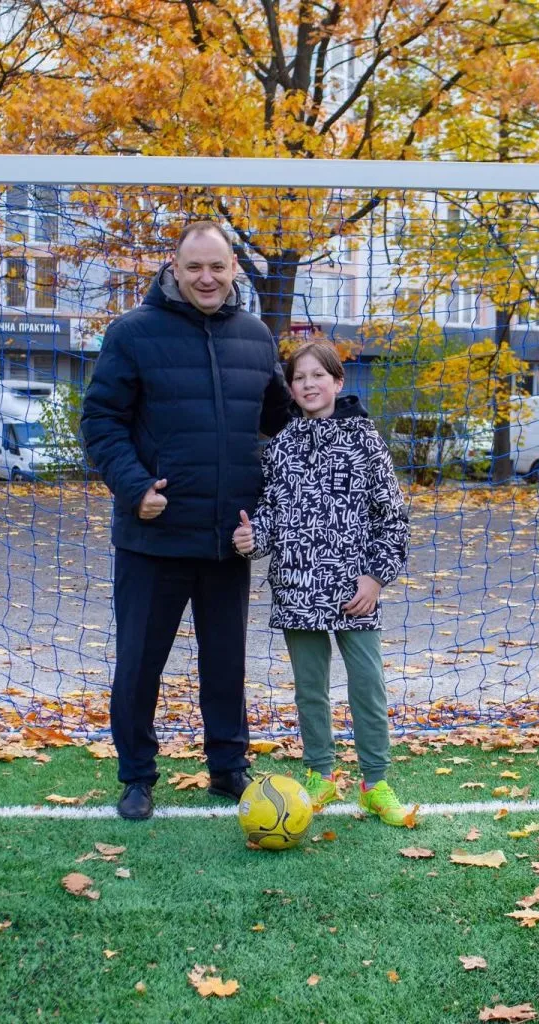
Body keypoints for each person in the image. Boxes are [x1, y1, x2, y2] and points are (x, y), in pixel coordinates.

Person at [81, 221, 294, 821]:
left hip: (229, 538)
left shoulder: (255, 337)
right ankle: (137, 776)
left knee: (225, 664)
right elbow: (100, 421)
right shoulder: (132, 332)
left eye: (217, 267)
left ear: (233, 269)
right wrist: (134, 487)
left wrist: (335, 414)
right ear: (174, 268)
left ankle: (228, 768)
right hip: (154, 536)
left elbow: (281, 419)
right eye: (194, 266)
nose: (206, 278)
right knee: (139, 664)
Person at [232, 340, 414, 826]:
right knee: (311, 689)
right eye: (299, 378)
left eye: (318, 375)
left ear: (337, 381)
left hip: (355, 590)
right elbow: (271, 514)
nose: (308, 384)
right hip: (297, 587)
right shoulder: (281, 447)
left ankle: (375, 783)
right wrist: (252, 538)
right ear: (291, 388)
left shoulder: (365, 440)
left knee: (367, 684)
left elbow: (392, 517)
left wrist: (375, 577)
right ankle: (320, 774)